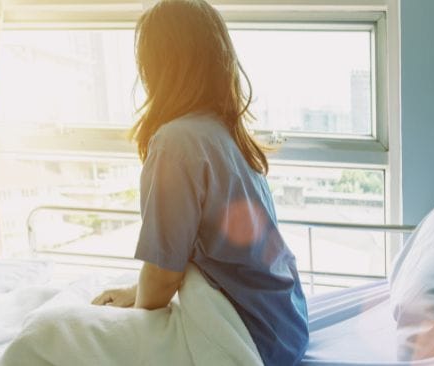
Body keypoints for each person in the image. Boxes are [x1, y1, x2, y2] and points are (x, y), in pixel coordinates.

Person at [91, 0, 309, 364]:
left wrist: (135, 320)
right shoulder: (226, 134)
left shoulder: (176, 141)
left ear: (158, 65)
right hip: (284, 325)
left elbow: (163, 279)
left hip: (248, 337)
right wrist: (135, 290)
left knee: (47, 333)